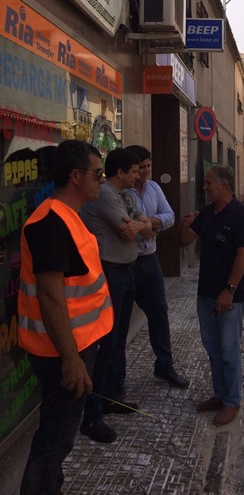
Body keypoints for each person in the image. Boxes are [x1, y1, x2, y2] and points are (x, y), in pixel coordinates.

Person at [18, 140, 113, 494]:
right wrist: (72, 361)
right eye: (98, 173)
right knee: (53, 441)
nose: (101, 181)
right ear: (76, 176)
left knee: (60, 438)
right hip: (60, 351)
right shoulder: (50, 223)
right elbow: (50, 296)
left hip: (76, 345)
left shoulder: (70, 218)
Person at [79, 148, 154, 443]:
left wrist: (142, 226)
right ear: (120, 172)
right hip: (110, 273)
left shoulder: (129, 195)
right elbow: (130, 231)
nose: (139, 175)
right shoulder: (107, 194)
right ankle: (92, 415)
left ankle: (111, 397)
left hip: (127, 270)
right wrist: (141, 226)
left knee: (117, 341)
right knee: (106, 344)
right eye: (135, 171)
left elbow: (149, 229)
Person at [179, 165, 244, 427]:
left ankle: (232, 401)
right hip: (206, 293)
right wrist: (186, 225)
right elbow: (184, 241)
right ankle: (220, 395)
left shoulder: (241, 214)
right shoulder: (207, 214)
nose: (204, 187)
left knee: (229, 350)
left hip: (229, 296)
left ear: (224, 185)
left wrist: (229, 290)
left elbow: (243, 254)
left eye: (209, 183)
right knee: (212, 348)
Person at [123, 145, 189, 389]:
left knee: (159, 315)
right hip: (125, 265)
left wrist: (146, 224)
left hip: (150, 261)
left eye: (148, 166)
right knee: (120, 324)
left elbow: (170, 216)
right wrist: (149, 228)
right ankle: (115, 379)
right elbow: (124, 228)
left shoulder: (153, 188)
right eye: (141, 168)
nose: (146, 171)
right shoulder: (121, 193)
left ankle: (164, 366)